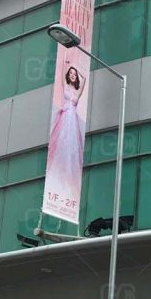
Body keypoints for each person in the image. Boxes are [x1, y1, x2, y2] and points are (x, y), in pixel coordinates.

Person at [45, 62, 87, 201]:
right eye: (71, 74)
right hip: (65, 117)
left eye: (74, 74)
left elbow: (84, 79)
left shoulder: (77, 91)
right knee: (62, 142)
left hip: (72, 119)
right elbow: (62, 72)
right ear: (68, 76)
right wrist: (67, 66)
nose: (73, 75)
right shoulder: (66, 86)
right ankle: (60, 171)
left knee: (72, 145)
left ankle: (69, 173)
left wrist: (77, 68)